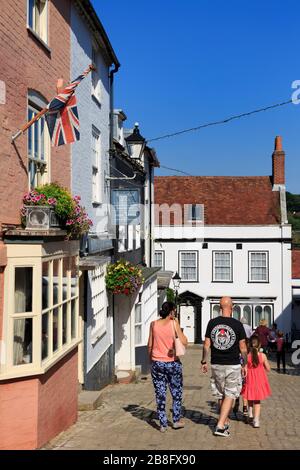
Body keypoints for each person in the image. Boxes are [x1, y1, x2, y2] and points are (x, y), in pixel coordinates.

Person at [201, 296, 247, 437]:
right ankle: (220, 426)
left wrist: (203, 361)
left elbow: (206, 344)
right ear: (232, 308)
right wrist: (244, 364)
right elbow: (243, 347)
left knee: (221, 394)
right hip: (232, 364)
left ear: (220, 307)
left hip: (216, 364)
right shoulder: (238, 325)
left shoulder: (212, 323)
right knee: (230, 394)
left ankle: (225, 420)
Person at [147, 301, 188, 433]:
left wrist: (151, 360)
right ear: (171, 311)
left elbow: (150, 344)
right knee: (176, 392)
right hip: (172, 363)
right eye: (174, 311)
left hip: (157, 363)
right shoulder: (173, 323)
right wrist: (177, 324)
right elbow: (185, 341)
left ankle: (163, 424)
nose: (175, 313)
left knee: (160, 393)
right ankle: (175, 421)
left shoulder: (153, 324)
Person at [242, 334, 271, 428]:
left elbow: (243, 368)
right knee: (257, 401)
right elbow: (268, 368)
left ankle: (250, 413)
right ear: (259, 345)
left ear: (249, 345)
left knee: (250, 397)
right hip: (259, 381)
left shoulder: (247, 356)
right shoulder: (262, 356)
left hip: (250, 380)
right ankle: (256, 420)